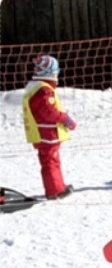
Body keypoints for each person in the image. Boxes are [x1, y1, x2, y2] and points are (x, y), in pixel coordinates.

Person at [22, 55, 76, 199]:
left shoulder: (36, 88)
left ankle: (58, 186)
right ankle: (54, 191)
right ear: (50, 73)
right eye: (56, 71)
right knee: (50, 161)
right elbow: (49, 112)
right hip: (47, 133)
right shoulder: (44, 91)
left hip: (41, 133)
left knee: (51, 160)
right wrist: (66, 119)